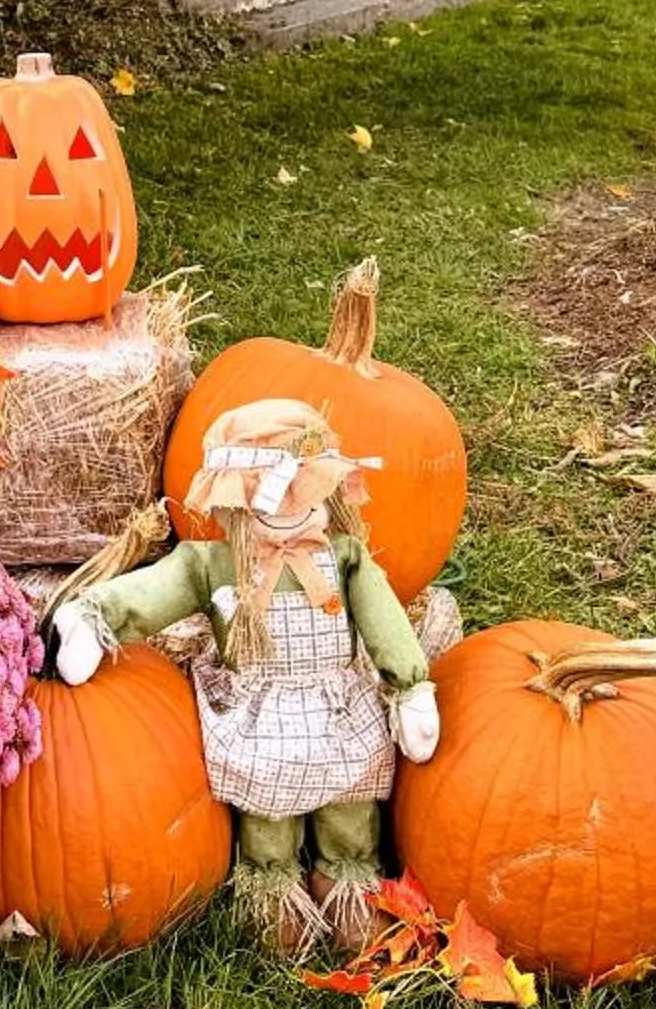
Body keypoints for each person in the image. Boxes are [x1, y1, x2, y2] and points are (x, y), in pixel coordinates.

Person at [51, 398, 439, 952]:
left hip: (335, 701)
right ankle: (273, 885)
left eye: (301, 493)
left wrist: (409, 684)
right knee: (267, 807)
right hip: (263, 711)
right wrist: (98, 616)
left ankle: (348, 879)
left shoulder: (346, 557)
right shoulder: (212, 564)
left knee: (350, 802)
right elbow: (157, 591)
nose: (285, 509)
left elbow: (383, 620)